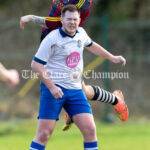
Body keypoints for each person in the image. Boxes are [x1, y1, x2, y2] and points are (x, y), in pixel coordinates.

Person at [20, 0, 128, 130]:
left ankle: (78, 109)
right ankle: (113, 100)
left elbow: (55, 23)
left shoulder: (83, 3)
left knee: (78, 90)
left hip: (64, 51)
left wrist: (32, 18)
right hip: (51, 49)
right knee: (84, 91)